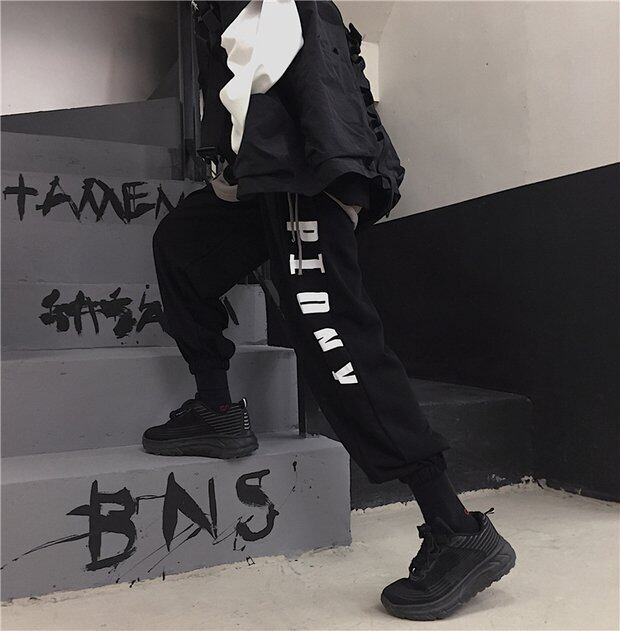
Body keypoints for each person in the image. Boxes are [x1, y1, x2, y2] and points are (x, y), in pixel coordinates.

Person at [142, 0, 516, 620]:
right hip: (263, 173)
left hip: (304, 173)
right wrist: (230, 162)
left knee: (336, 345)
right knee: (182, 249)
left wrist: (341, 176)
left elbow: (299, 63)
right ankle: (215, 409)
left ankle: (456, 529)